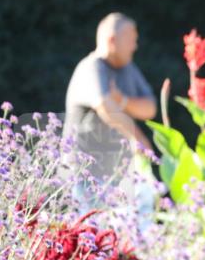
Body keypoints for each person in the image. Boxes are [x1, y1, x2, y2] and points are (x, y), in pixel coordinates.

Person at [63, 13, 157, 229]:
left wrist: (121, 100)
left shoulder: (128, 70)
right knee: (92, 235)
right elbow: (105, 107)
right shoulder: (91, 67)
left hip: (118, 176)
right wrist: (139, 139)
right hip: (86, 174)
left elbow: (150, 108)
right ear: (112, 40)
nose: (135, 46)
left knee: (131, 235)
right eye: (131, 40)